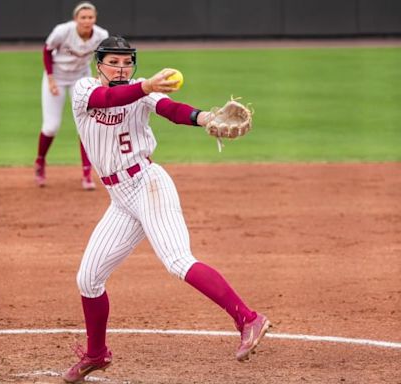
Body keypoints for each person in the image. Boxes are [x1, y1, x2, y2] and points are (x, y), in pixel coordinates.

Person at [62, 36, 271, 383]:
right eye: (113, 62)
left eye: (127, 62)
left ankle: (248, 319)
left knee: (177, 260)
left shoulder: (141, 92)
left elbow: (170, 110)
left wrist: (203, 117)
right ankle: (97, 354)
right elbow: (109, 98)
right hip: (120, 198)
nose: (121, 68)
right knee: (88, 279)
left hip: (148, 184)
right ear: (99, 64)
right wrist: (144, 85)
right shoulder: (84, 90)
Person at [34, 2, 109, 189]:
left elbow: (102, 57)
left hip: (81, 79)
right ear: (76, 19)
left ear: (95, 18)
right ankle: (40, 162)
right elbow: (47, 50)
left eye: (90, 17)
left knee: (85, 126)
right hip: (57, 77)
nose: (87, 21)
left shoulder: (101, 35)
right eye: (83, 17)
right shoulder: (63, 31)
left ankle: (87, 174)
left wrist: (98, 78)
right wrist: (50, 79)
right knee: (51, 127)